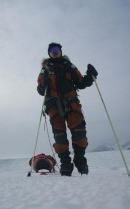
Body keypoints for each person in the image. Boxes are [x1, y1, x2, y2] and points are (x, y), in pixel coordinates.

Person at [37, 42, 98, 176]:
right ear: (49, 53)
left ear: (60, 51)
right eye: (52, 49)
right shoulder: (45, 69)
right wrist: (43, 84)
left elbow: (81, 83)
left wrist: (90, 76)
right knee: (60, 136)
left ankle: (80, 160)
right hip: (53, 106)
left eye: (57, 49)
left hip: (72, 104)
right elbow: (40, 90)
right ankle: (65, 163)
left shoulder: (69, 66)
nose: (55, 51)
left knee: (79, 132)